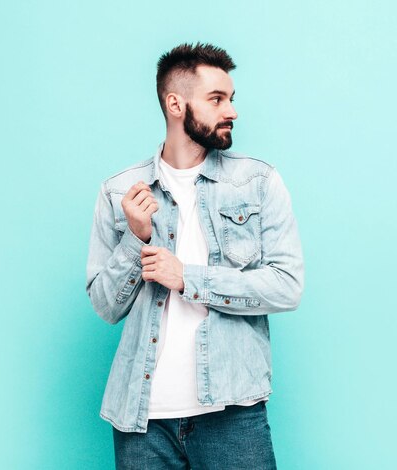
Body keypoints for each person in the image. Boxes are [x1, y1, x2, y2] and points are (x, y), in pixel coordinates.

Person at [86, 42, 304, 469]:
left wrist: (188, 277)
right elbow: (105, 307)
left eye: (232, 99)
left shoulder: (258, 182)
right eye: (217, 99)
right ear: (175, 104)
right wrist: (136, 238)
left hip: (232, 413)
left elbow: (287, 286)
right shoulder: (119, 191)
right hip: (141, 421)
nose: (232, 111)